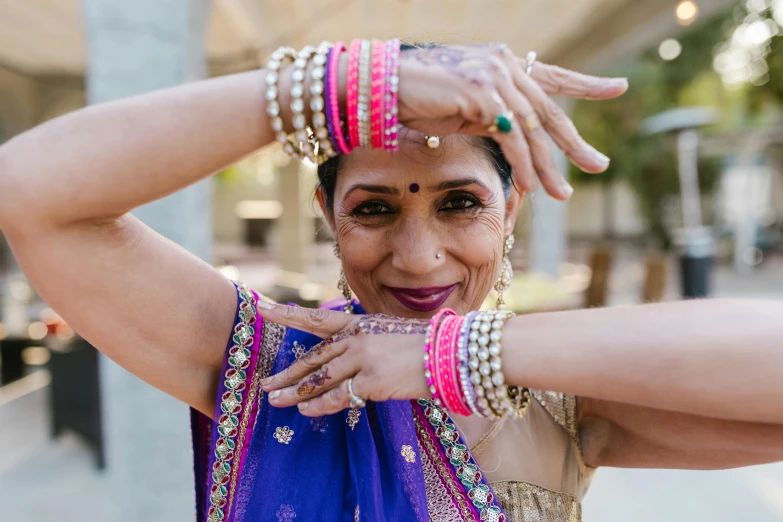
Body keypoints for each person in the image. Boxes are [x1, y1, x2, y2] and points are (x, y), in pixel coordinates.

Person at [0, 40, 781, 522]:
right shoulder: (285, 370)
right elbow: (29, 191)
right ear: (326, 212)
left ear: (511, 206)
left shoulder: (555, 396)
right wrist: (346, 81)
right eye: (372, 210)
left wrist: (450, 356)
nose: (417, 257)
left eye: (460, 205)